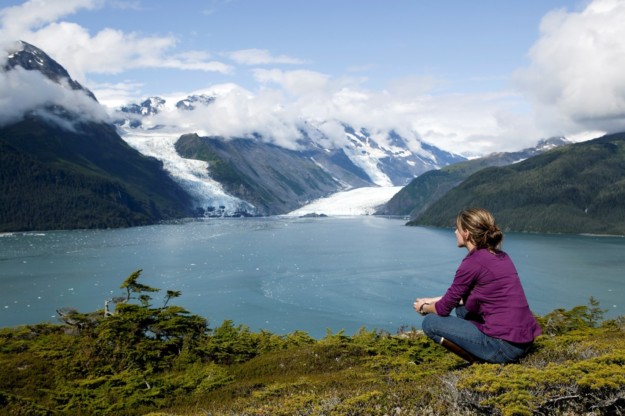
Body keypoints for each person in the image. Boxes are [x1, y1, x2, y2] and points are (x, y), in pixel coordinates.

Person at [413, 208, 541, 364]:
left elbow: (443, 309)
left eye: (457, 228)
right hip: (524, 340)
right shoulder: (500, 255)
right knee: (462, 309)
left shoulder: (472, 263)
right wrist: (432, 299)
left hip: (504, 347)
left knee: (430, 323)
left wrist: (423, 307)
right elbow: (461, 298)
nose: (455, 232)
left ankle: (480, 364)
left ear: (466, 233)